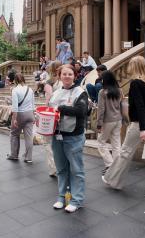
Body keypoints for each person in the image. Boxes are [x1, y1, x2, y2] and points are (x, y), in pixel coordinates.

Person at [102, 56, 145, 201]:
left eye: (131, 65)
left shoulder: (135, 83)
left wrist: (142, 128)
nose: (129, 68)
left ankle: (113, 180)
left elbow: (140, 106)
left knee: (125, 153)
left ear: (134, 67)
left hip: (139, 125)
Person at [49, 64, 88, 213]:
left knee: (76, 169)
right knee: (61, 169)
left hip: (73, 136)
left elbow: (81, 111)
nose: (67, 76)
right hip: (57, 135)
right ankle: (62, 196)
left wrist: (61, 109)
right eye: (64, 74)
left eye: (70, 74)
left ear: (75, 76)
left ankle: (77, 200)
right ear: (59, 76)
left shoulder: (80, 92)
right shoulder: (56, 92)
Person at [97, 70, 123, 174]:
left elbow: (101, 109)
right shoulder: (119, 91)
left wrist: (99, 123)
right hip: (118, 119)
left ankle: (109, 165)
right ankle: (117, 166)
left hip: (108, 120)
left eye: (102, 78)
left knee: (101, 142)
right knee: (116, 144)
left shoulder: (102, 92)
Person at [7, 73, 35, 163]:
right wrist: (33, 115)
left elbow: (15, 107)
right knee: (29, 137)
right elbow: (33, 104)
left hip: (20, 114)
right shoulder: (30, 89)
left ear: (15, 81)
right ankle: (28, 158)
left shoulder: (15, 90)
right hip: (30, 113)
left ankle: (14, 155)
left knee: (14, 134)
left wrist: (14, 119)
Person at [42, 60, 63, 177]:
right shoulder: (64, 81)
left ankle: (53, 168)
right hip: (64, 115)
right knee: (60, 142)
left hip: (52, 115)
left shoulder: (49, 82)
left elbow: (48, 101)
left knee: (47, 142)